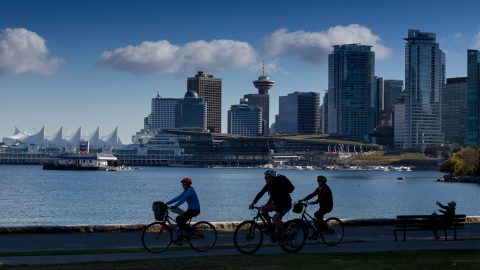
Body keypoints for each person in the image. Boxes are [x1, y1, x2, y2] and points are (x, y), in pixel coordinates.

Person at [249, 169, 295, 242]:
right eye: (265, 177)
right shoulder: (269, 184)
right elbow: (261, 193)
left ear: (272, 177)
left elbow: (273, 196)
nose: (265, 179)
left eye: (267, 177)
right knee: (263, 210)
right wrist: (253, 203)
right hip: (277, 204)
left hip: (286, 204)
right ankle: (270, 227)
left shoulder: (279, 183)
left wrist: (267, 204)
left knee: (274, 219)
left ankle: (285, 234)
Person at [166, 177, 200, 242]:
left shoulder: (190, 190)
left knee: (181, 220)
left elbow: (183, 199)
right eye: (182, 184)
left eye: (184, 184)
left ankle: (190, 232)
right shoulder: (186, 191)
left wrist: (175, 206)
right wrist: (167, 203)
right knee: (178, 218)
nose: (183, 186)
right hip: (190, 209)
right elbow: (178, 198)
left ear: (188, 184)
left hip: (195, 210)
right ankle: (180, 237)